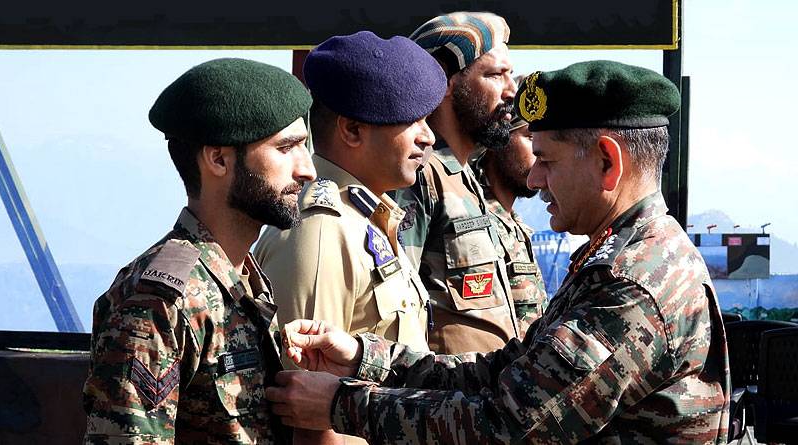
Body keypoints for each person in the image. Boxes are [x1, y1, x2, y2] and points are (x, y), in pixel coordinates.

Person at [265, 60, 731, 444]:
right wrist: (363, 357)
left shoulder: (633, 283)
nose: (534, 178)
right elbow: (505, 372)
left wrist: (341, 404)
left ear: (607, 162)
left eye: (546, 160)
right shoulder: (621, 257)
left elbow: (509, 423)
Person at [82, 58, 316, 444]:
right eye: (286, 148)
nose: (307, 170)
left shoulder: (243, 278)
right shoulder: (160, 300)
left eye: (303, 146)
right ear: (218, 159)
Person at [254, 31, 445, 353]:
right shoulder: (320, 230)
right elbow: (305, 375)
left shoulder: (365, 219)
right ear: (353, 130)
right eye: (412, 121)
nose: (428, 137)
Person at [393, 11, 520, 354]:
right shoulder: (420, 175)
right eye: (495, 75)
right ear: (446, 82)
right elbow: (395, 305)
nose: (511, 90)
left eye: (510, 75)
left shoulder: (464, 177)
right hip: (435, 384)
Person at [470, 76, 548, 334]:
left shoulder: (514, 223)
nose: (540, 154)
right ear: (498, 142)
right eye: (530, 138)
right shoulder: (472, 218)